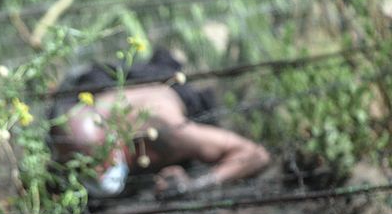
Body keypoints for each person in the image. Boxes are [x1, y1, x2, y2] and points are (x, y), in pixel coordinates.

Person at [49, 48, 270, 201]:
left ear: (116, 141)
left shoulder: (165, 132)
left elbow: (255, 154)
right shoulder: (69, 127)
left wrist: (194, 184)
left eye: (98, 163)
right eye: (82, 167)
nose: (96, 174)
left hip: (167, 94)